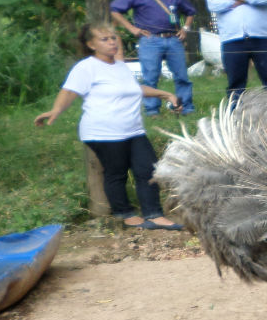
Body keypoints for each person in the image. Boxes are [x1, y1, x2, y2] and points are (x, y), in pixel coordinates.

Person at [34, 23, 184, 230]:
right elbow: (69, 92)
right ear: (91, 44)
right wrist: (55, 111)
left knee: (148, 169)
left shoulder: (120, 66)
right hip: (103, 132)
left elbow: (133, 89)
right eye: (105, 39)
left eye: (114, 38)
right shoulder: (86, 67)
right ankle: (125, 214)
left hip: (133, 130)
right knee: (117, 173)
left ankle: (154, 214)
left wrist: (165, 94)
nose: (112, 42)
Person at [110, 0, 197, 116]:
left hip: (173, 39)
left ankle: (186, 107)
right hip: (150, 40)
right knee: (150, 77)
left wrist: (185, 28)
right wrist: (131, 28)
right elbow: (114, 9)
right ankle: (152, 111)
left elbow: (190, 12)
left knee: (182, 76)